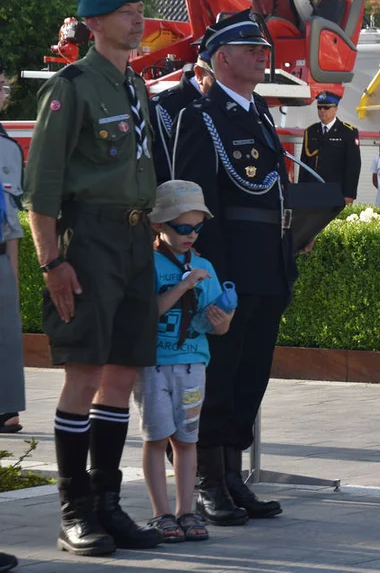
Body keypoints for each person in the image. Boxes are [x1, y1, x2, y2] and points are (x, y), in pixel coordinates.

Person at [23, 0, 162, 555]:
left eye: (138, 11)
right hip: (88, 241)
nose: (139, 21)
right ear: (96, 23)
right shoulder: (71, 87)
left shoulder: (136, 87)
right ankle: (74, 510)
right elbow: (42, 188)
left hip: (135, 240)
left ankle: (108, 504)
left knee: (123, 372)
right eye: (127, 13)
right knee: (83, 373)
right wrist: (52, 261)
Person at [172, 9, 297, 524]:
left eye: (263, 49)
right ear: (222, 58)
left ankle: (233, 473)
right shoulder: (199, 117)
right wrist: (208, 278)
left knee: (252, 376)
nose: (263, 56)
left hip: (268, 265)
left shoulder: (260, 112)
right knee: (221, 376)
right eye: (252, 49)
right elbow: (193, 204)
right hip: (228, 270)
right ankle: (208, 481)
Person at [135, 180, 234, 543]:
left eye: (197, 227)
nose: (191, 235)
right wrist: (182, 286)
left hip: (194, 365)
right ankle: (162, 513)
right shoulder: (148, 263)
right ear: (158, 226)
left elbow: (215, 326)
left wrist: (223, 319)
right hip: (154, 365)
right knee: (156, 438)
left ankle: (186, 510)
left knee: (187, 440)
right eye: (183, 228)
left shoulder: (204, 265)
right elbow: (147, 314)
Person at [0, 57, 25, 437]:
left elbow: (13, 218)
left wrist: (15, 274)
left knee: (5, 335)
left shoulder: (7, 147)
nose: (3, 92)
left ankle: (5, 409)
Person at [150, 45, 215, 183]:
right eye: (222, 79)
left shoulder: (253, 102)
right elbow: (167, 178)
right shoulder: (164, 108)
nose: (231, 86)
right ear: (199, 74)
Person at [300, 91, 361, 204]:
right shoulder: (310, 131)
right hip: (312, 192)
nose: (322, 111)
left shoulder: (348, 132)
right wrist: (301, 191)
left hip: (336, 191)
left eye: (326, 107)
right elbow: (304, 164)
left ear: (336, 108)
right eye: (319, 107)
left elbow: (353, 166)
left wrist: (349, 194)